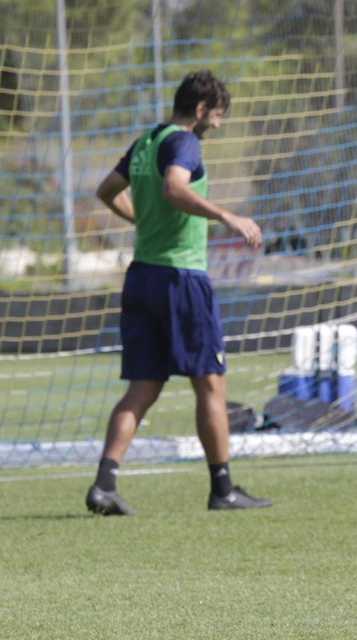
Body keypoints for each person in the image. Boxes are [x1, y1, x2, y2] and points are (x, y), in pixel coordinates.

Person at [84, 70, 272, 515]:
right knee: (211, 384)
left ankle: (104, 485)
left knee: (142, 388)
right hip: (181, 279)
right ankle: (222, 488)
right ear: (202, 109)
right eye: (218, 116)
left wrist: (143, 222)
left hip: (141, 277)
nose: (218, 126)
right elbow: (174, 188)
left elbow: (107, 190)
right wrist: (227, 216)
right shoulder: (186, 142)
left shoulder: (146, 141)